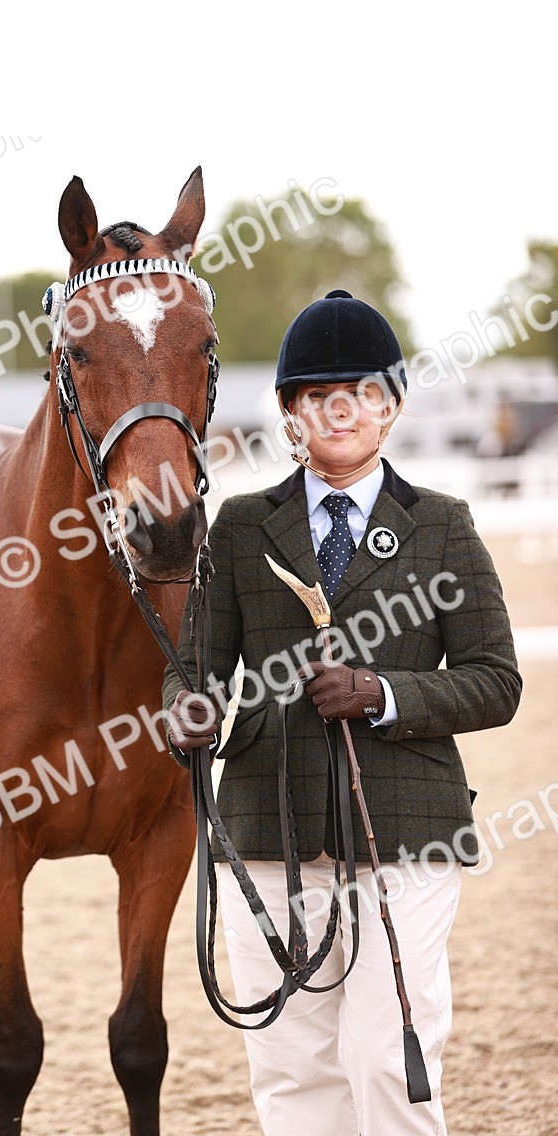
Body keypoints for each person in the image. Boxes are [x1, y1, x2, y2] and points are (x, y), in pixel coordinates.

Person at [162, 289, 522, 1136]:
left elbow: (495, 680)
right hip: (266, 830)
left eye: (360, 392)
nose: (340, 409)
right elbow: (192, 674)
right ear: (290, 412)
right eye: (317, 395)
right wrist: (189, 712)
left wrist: (385, 693)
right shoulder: (243, 527)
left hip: (406, 829)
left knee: (384, 1059)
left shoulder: (442, 526)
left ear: (390, 406)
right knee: (292, 1071)